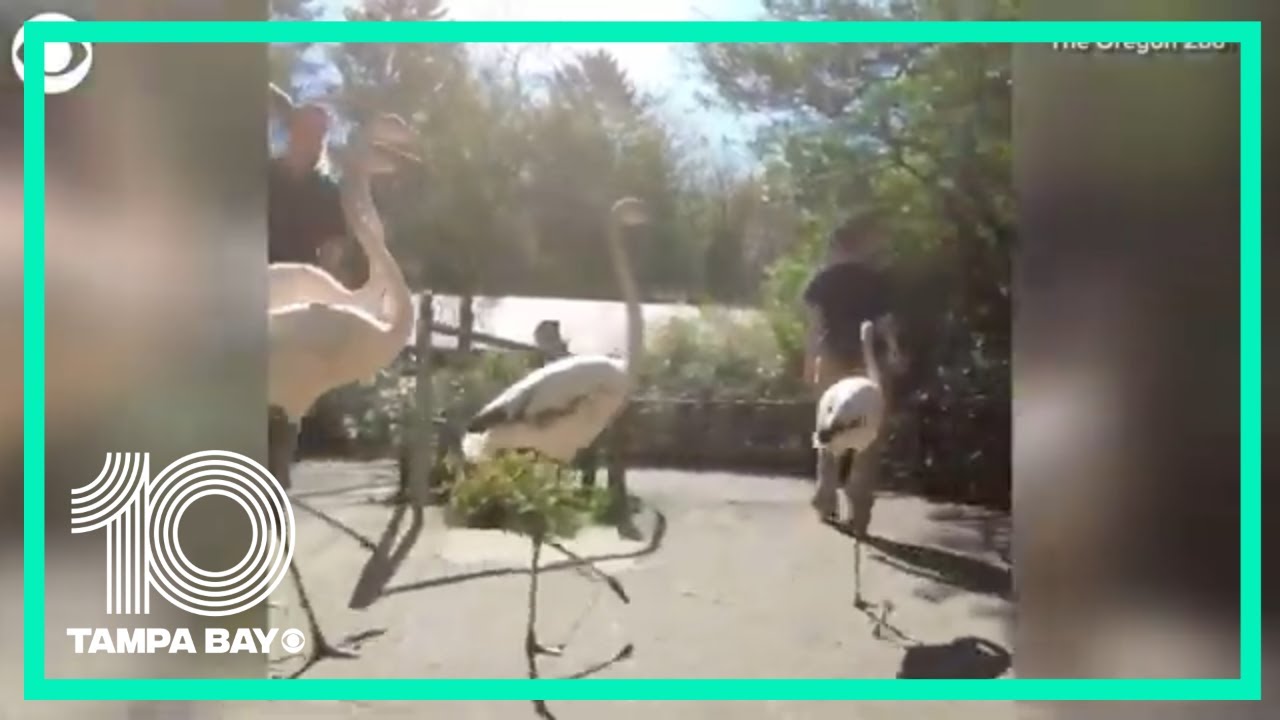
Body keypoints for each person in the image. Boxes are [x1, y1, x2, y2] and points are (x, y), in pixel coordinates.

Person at [801, 210, 905, 535]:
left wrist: (809, 362)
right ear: (861, 246)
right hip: (867, 361)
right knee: (867, 436)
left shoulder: (823, 279)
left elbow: (815, 327)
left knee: (828, 431)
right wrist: (895, 351)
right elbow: (887, 324)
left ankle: (825, 496)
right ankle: (859, 511)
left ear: (837, 246)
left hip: (832, 360)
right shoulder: (877, 280)